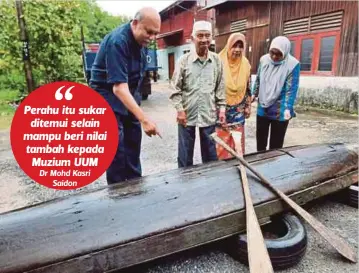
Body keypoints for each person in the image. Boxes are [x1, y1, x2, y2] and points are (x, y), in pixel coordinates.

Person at [89, 7, 162, 184]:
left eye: (155, 34)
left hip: (129, 91)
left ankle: (135, 185)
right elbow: (118, 88)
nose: (152, 38)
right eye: (149, 32)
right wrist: (145, 119)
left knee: (133, 139)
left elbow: (132, 82)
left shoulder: (142, 43)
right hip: (106, 94)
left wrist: (137, 115)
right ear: (135, 24)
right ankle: (117, 192)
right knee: (116, 145)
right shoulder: (118, 42)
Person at [170, 20, 226, 168]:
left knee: (210, 153)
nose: (204, 40)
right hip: (187, 114)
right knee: (185, 153)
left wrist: (222, 109)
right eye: (200, 36)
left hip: (208, 113)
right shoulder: (183, 61)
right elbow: (175, 88)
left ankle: (209, 182)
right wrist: (180, 110)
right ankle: (184, 182)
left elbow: (220, 86)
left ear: (211, 38)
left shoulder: (216, 61)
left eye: (207, 36)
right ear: (192, 38)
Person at [251, 36, 300, 152]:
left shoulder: (292, 64)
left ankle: (273, 165)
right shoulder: (264, 60)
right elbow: (258, 78)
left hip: (280, 108)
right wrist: (254, 93)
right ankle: (260, 162)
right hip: (263, 105)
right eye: (272, 53)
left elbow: (291, 89)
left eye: (278, 54)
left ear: (285, 52)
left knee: (276, 145)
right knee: (261, 141)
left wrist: (288, 108)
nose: (274, 57)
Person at [217, 32, 252, 158]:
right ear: (228, 46)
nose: (237, 50)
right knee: (222, 146)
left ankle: (238, 170)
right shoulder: (218, 62)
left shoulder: (246, 64)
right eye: (234, 46)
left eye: (240, 46)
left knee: (237, 147)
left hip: (238, 112)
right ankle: (221, 172)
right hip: (220, 112)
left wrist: (248, 105)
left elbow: (248, 87)